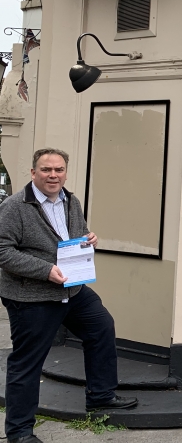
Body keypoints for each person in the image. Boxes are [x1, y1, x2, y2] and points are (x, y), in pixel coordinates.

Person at [0, 149, 137, 443]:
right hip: (32, 296)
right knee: (27, 361)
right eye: (46, 170)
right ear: (33, 172)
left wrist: (89, 239)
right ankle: (19, 432)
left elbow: (75, 235)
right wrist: (45, 270)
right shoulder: (14, 206)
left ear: (65, 172)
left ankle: (100, 396)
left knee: (101, 326)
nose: (53, 175)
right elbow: (3, 252)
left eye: (58, 170)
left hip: (72, 289)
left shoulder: (70, 200)